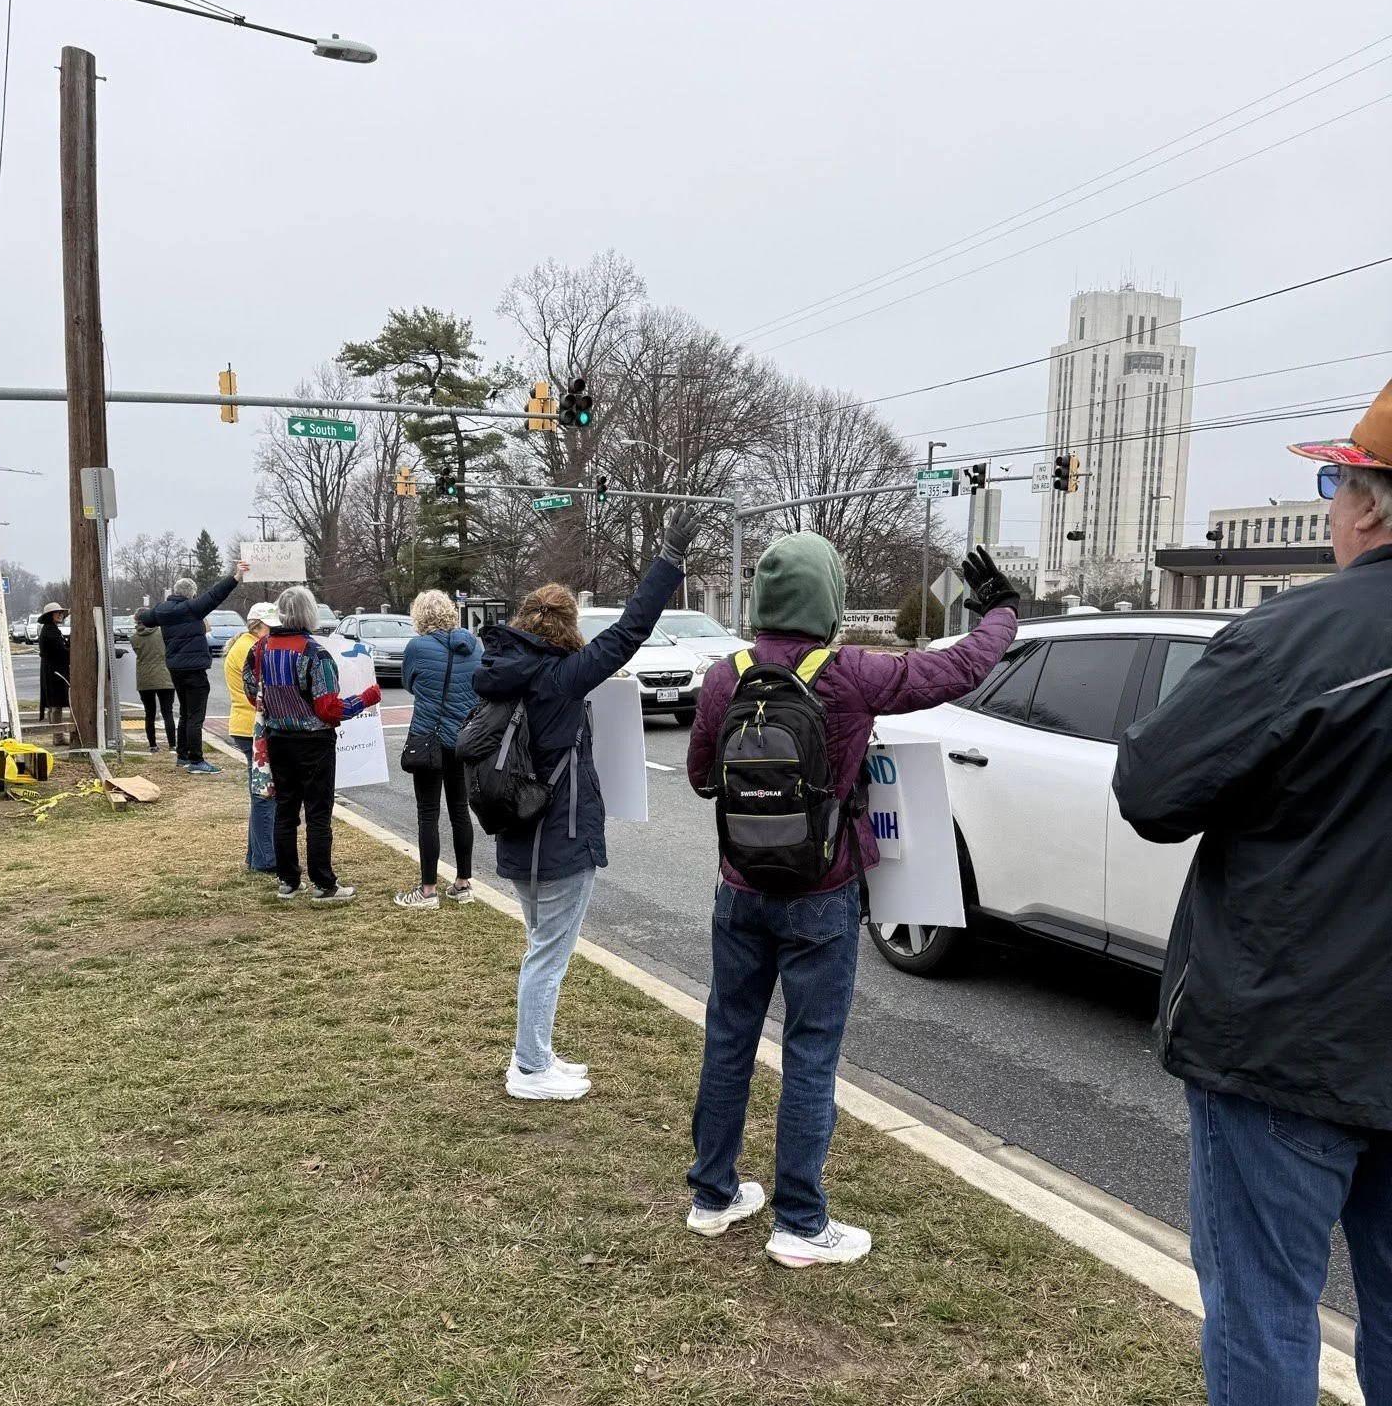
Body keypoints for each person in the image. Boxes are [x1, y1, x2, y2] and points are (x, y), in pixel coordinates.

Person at [1104, 379, 1392, 1406]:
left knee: (1268, 1298)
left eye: (1337, 484)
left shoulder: (1305, 636)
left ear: (1370, 506)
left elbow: (1155, 785)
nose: (1332, 507)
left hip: (1285, 1033)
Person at [683, 536, 1019, 1269]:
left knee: (728, 1038)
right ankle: (800, 1222)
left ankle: (712, 1195)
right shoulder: (851, 674)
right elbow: (956, 668)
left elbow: (701, 776)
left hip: (738, 889)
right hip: (822, 892)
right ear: (828, 600)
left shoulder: (722, 676)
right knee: (809, 1052)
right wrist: (1000, 612)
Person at [472, 516, 703, 1100]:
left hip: (518, 830)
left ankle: (540, 1051)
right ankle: (528, 1068)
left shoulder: (502, 673)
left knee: (539, 947)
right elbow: (629, 631)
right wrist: (669, 558)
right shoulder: (561, 678)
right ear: (566, 626)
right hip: (559, 836)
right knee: (547, 957)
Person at [243, 583, 381, 904]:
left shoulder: (259, 649)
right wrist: (365, 698)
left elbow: (252, 692)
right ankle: (324, 884)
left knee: (285, 811)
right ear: (309, 614)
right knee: (318, 814)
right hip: (315, 742)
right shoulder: (314, 653)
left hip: (277, 739)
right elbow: (328, 709)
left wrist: (278, 708)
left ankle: (288, 881)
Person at [395, 588, 482, 910]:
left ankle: (428, 889)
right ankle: (463, 883)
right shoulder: (475, 646)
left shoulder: (417, 646)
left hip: (428, 739)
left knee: (428, 813)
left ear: (419, 617)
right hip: (463, 739)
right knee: (460, 810)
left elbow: (409, 683)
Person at [135, 559, 248, 773]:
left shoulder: (161, 610)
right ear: (191, 593)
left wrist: (145, 615)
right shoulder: (192, 608)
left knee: (185, 714)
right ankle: (196, 761)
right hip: (195, 669)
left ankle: (182, 756)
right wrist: (235, 577)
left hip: (175, 669)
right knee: (196, 716)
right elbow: (215, 595)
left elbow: (145, 619)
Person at [224, 600, 279, 874]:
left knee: (262, 793)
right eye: (272, 626)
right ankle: (266, 859)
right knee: (265, 795)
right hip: (253, 728)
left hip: (245, 725)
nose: (275, 631)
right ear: (258, 626)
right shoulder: (252, 648)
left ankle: (256, 855)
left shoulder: (243, 644)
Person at [128, 612, 175, 752]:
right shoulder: (162, 634)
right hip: (164, 675)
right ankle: (173, 745)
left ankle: (153, 745)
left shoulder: (134, 638)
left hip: (144, 678)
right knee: (168, 712)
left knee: (149, 713)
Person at [37, 602, 71, 743]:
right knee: (55, 704)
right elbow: (62, 651)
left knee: (53, 704)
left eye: (61, 613)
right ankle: (58, 736)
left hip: (50, 670)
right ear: (50, 616)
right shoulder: (51, 631)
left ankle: (57, 736)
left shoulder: (50, 629)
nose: (60, 615)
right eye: (57, 613)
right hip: (54, 671)